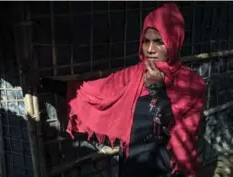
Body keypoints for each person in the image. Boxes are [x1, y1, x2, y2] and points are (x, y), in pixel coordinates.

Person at [66, 2, 206, 177]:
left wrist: (157, 89)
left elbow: (176, 131)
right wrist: (52, 85)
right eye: (146, 41)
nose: (150, 49)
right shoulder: (133, 75)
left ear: (174, 41)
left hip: (168, 170)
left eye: (158, 42)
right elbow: (96, 91)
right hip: (132, 165)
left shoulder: (191, 84)